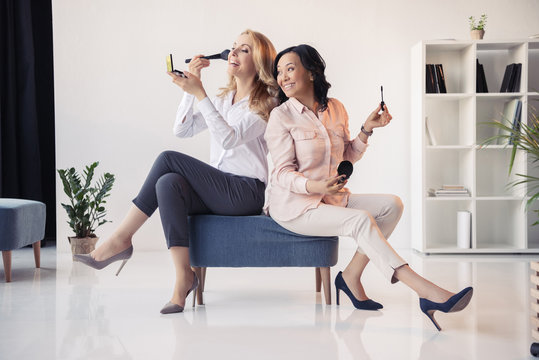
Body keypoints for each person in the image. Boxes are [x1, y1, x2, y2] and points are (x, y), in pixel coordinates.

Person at [264, 44, 472, 331]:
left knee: (392, 205)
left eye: (290, 68)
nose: (283, 77)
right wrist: (314, 184)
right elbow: (282, 174)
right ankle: (425, 291)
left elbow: (347, 155)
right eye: (279, 72)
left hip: (331, 199)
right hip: (296, 206)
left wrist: (367, 129)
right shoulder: (281, 116)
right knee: (361, 220)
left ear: (311, 72)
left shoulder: (335, 108)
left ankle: (350, 276)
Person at [75, 29, 278, 314]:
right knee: (168, 183)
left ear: (259, 61)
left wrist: (200, 94)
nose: (233, 53)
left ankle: (121, 238)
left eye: (244, 49)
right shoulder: (223, 99)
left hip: (245, 192)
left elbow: (229, 138)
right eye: (233, 47)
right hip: (219, 191)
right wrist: (189, 92)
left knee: (168, 158)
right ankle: (184, 278)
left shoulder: (266, 103)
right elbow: (182, 130)